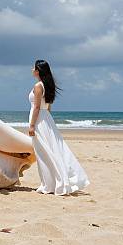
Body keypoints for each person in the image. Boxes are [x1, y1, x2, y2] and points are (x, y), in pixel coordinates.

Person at [28, 59, 90, 195]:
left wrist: (32, 125)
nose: (32, 69)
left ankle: (49, 185)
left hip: (40, 121)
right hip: (46, 119)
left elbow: (37, 107)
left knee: (44, 153)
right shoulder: (48, 85)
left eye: (33, 68)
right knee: (50, 150)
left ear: (38, 70)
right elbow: (48, 107)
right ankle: (51, 183)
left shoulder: (38, 86)